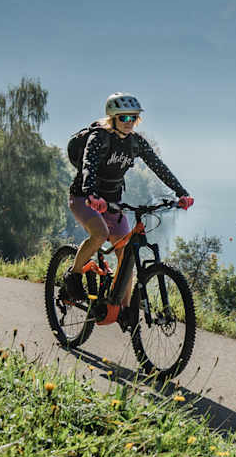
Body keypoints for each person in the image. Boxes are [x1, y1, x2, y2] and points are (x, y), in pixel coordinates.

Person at [63, 92, 193, 303]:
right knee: (99, 234)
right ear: (112, 118)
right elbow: (88, 166)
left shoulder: (136, 142)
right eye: (124, 117)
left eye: (133, 117)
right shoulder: (99, 137)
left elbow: (159, 167)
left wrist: (181, 193)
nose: (129, 122)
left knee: (126, 259)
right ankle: (73, 276)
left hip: (113, 203)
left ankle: (124, 312)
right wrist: (91, 194)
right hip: (83, 198)